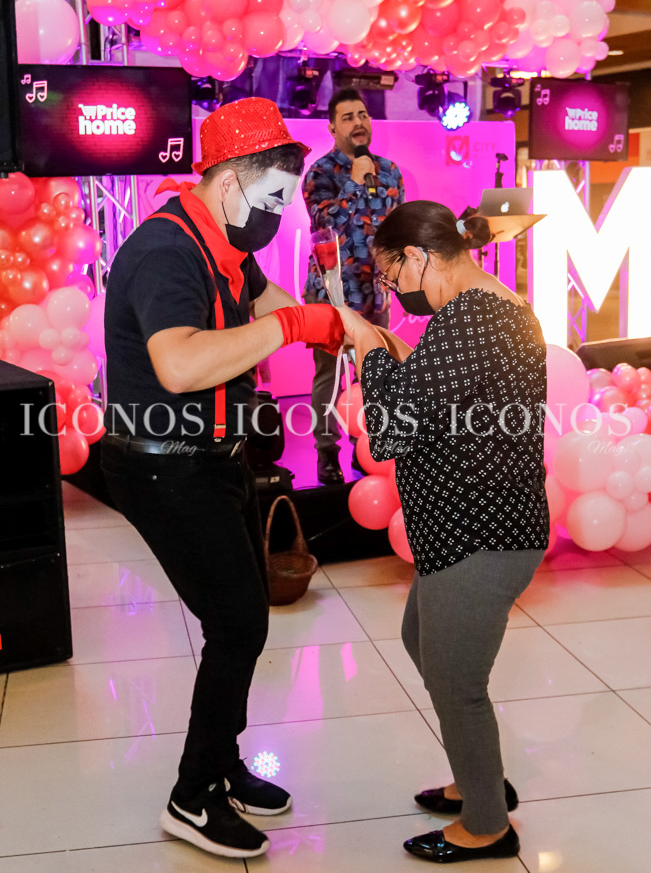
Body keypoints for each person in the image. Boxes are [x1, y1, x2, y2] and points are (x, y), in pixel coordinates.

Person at [100, 98, 344, 860]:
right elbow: (179, 364)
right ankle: (192, 796)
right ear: (231, 177)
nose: (276, 213)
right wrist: (294, 328)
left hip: (219, 455)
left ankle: (226, 764)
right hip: (164, 467)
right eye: (271, 196)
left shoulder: (223, 243)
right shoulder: (166, 251)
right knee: (237, 623)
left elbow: (264, 300)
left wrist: (340, 325)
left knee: (245, 620)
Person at [337, 200, 549, 864]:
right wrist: (389, 353)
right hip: (463, 527)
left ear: (418, 256)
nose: (392, 289)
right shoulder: (478, 313)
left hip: (481, 533)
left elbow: (395, 430)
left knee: (455, 681)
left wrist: (368, 350)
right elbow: (435, 398)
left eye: (390, 274)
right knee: (420, 641)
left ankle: (487, 824)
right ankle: (477, 776)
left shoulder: (475, 321)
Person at [303, 87, 404, 484]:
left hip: (374, 291)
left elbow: (396, 229)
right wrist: (355, 184)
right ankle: (327, 453)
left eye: (363, 114)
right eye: (348, 117)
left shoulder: (391, 170)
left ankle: (369, 449)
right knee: (328, 379)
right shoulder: (320, 173)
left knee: (373, 377)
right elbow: (323, 226)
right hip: (331, 292)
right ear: (332, 127)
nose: (359, 122)